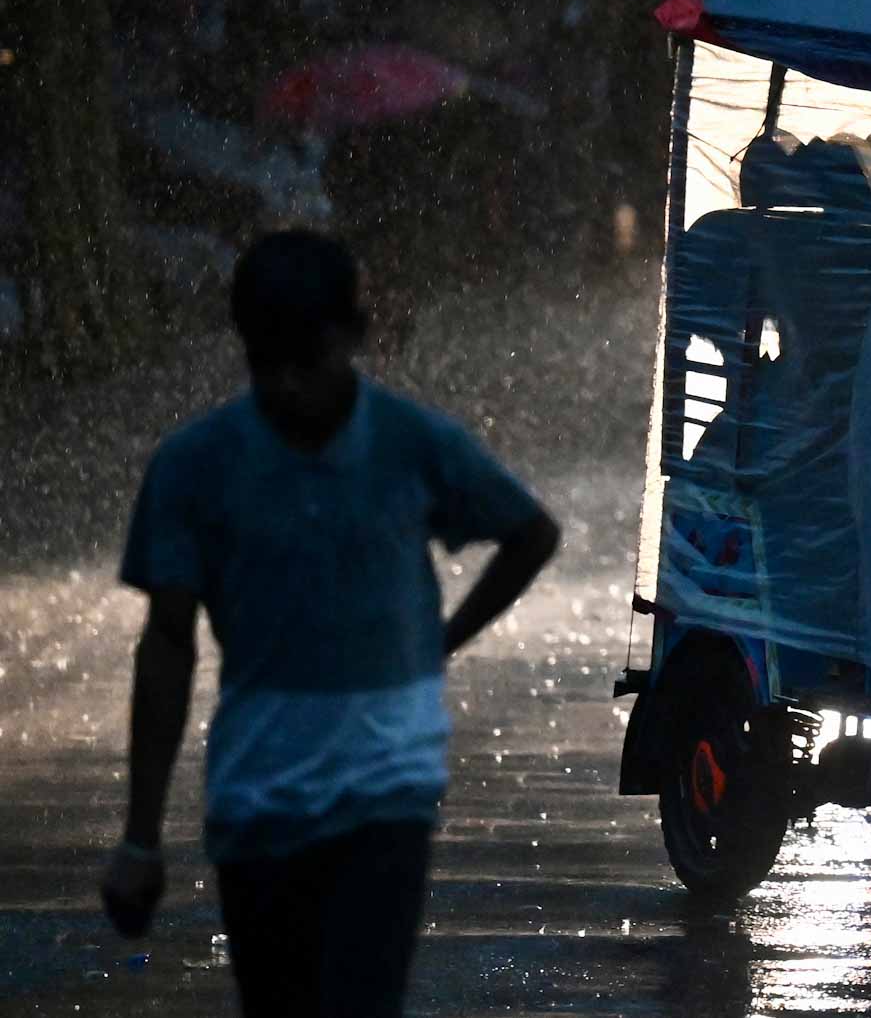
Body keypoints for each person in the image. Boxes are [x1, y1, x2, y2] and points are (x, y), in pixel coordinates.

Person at [98, 231, 560, 1017]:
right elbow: (168, 644)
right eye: (266, 360)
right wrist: (140, 839)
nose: (286, 383)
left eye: (305, 359)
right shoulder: (193, 466)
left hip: (386, 792)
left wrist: (441, 641)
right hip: (258, 799)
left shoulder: (413, 444)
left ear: (354, 337)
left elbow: (531, 533)